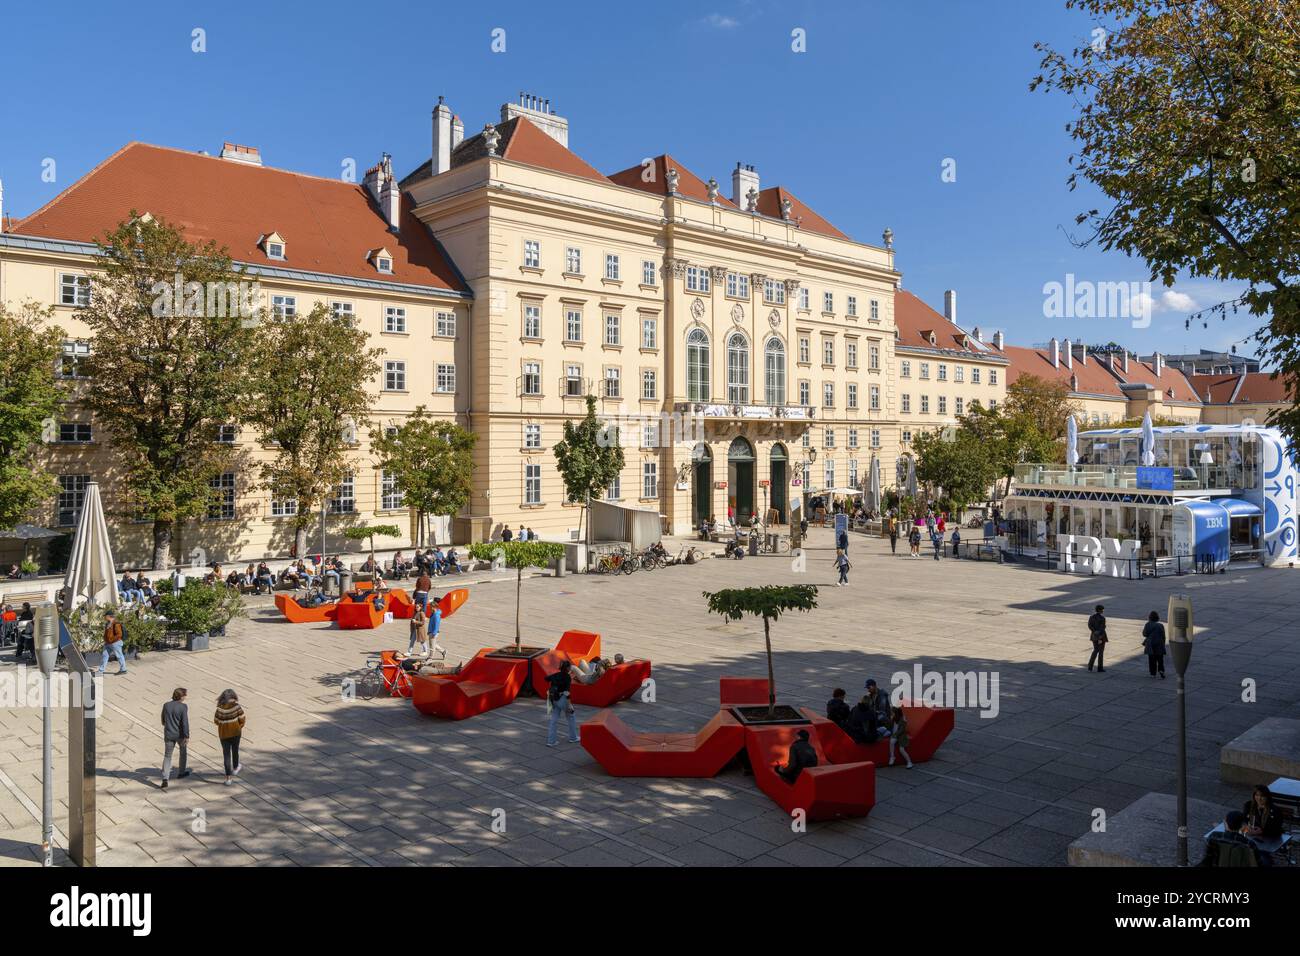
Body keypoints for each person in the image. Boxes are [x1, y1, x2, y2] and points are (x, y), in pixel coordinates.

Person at [1198, 810, 1269, 867]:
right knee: (1265, 857)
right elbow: (1258, 863)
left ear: (1226, 823)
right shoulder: (1249, 844)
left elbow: (1207, 858)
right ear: (1242, 825)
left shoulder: (1214, 836)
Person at [160, 688, 191, 790]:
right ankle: (181, 772)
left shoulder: (166, 705)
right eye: (184, 695)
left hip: (169, 734)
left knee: (167, 756)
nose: (185, 697)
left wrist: (167, 725)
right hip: (180, 735)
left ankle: (165, 778)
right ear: (181, 696)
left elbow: (163, 720)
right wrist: (186, 735)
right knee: (183, 753)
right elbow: (185, 723)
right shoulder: (183, 707)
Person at [214, 689, 246, 786]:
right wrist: (238, 726)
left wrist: (224, 725)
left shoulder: (219, 708)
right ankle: (235, 768)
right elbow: (242, 719)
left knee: (226, 755)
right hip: (236, 733)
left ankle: (228, 779)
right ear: (233, 696)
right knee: (235, 750)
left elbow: (216, 721)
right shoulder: (236, 707)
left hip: (223, 735)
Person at [545, 660, 580, 746]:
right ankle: (573, 737)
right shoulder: (567, 677)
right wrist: (569, 705)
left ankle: (551, 741)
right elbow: (567, 692)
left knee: (554, 719)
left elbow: (546, 678)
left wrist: (554, 682)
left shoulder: (556, 675)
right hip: (563, 700)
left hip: (554, 699)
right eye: (569, 667)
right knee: (571, 716)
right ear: (568, 668)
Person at [97, 611, 127, 675]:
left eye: (105, 616)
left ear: (108, 616)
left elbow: (119, 634)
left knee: (119, 656)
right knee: (104, 656)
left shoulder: (116, 624)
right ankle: (100, 671)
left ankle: (123, 670)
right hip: (108, 643)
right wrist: (106, 639)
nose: (104, 617)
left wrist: (111, 640)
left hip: (115, 643)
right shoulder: (108, 623)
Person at [1142, 610, 1167, 678]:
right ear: (1157, 618)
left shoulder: (1147, 624)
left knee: (1152, 659)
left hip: (1151, 644)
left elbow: (1144, 634)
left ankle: (1153, 673)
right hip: (1159, 644)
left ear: (1150, 617)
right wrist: (1163, 644)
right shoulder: (1160, 625)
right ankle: (1161, 670)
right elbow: (1163, 636)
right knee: (1160, 659)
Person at [1087, 604, 1108, 672]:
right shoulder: (1102, 618)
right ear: (1100, 610)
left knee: (1095, 650)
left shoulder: (1091, 617)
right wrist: (1100, 638)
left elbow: (1090, 626)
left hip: (1094, 636)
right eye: (1102, 610)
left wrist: (1094, 631)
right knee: (1100, 652)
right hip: (1101, 637)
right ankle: (1100, 667)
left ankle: (1090, 666)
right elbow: (1102, 628)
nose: (1103, 611)